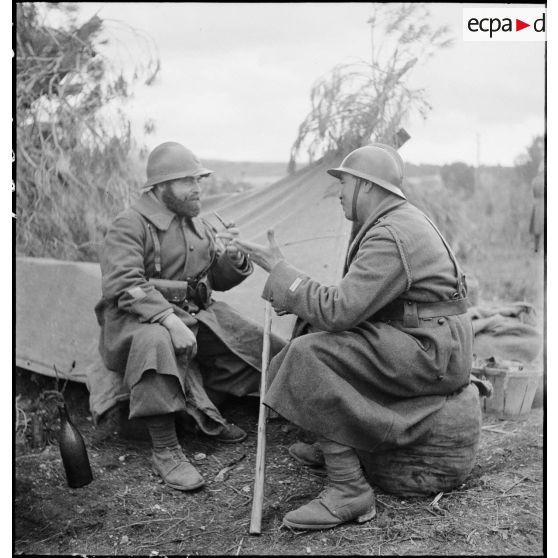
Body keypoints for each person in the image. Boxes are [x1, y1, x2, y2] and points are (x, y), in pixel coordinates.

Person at [233, 143, 473, 530]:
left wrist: (279, 271)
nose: (339, 194)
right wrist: (292, 293)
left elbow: (340, 311)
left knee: (308, 355)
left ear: (364, 186)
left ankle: (349, 490)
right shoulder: (395, 221)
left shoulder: (391, 234)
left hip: (431, 351)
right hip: (424, 337)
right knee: (309, 329)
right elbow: (351, 304)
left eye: (343, 184)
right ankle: (333, 442)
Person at [94, 141, 284, 492]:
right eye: (187, 182)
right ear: (161, 186)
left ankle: (206, 413)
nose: (197, 189)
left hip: (196, 313)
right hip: (137, 320)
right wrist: (168, 319)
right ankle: (165, 449)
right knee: (156, 345)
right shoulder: (129, 224)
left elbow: (215, 280)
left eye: (199, 180)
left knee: (256, 345)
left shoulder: (196, 222)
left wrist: (232, 257)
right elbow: (124, 285)